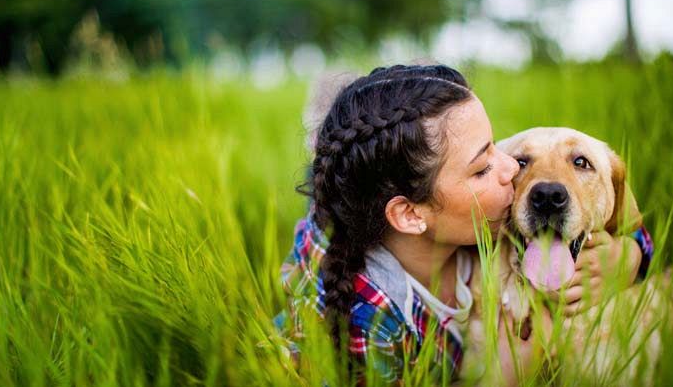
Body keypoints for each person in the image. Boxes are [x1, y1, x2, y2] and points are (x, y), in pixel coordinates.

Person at [276, 64, 651, 383]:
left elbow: (623, 217)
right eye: (483, 167)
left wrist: (631, 257)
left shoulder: (481, 216)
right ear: (411, 214)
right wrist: (503, 376)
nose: (510, 169)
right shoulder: (365, 320)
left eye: (494, 147)